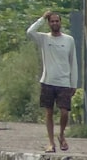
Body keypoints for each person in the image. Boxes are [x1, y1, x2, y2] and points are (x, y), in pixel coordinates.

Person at [28, 10, 78, 152]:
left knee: (64, 112)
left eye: (57, 21)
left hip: (64, 83)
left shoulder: (69, 40)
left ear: (60, 23)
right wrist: (42, 18)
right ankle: (51, 143)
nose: (55, 23)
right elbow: (30, 32)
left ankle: (61, 135)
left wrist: (73, 83)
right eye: (52, 21)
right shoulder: (44, 39)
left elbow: (73, 62)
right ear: (49, 23)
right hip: (48, 81)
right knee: (49, 112)